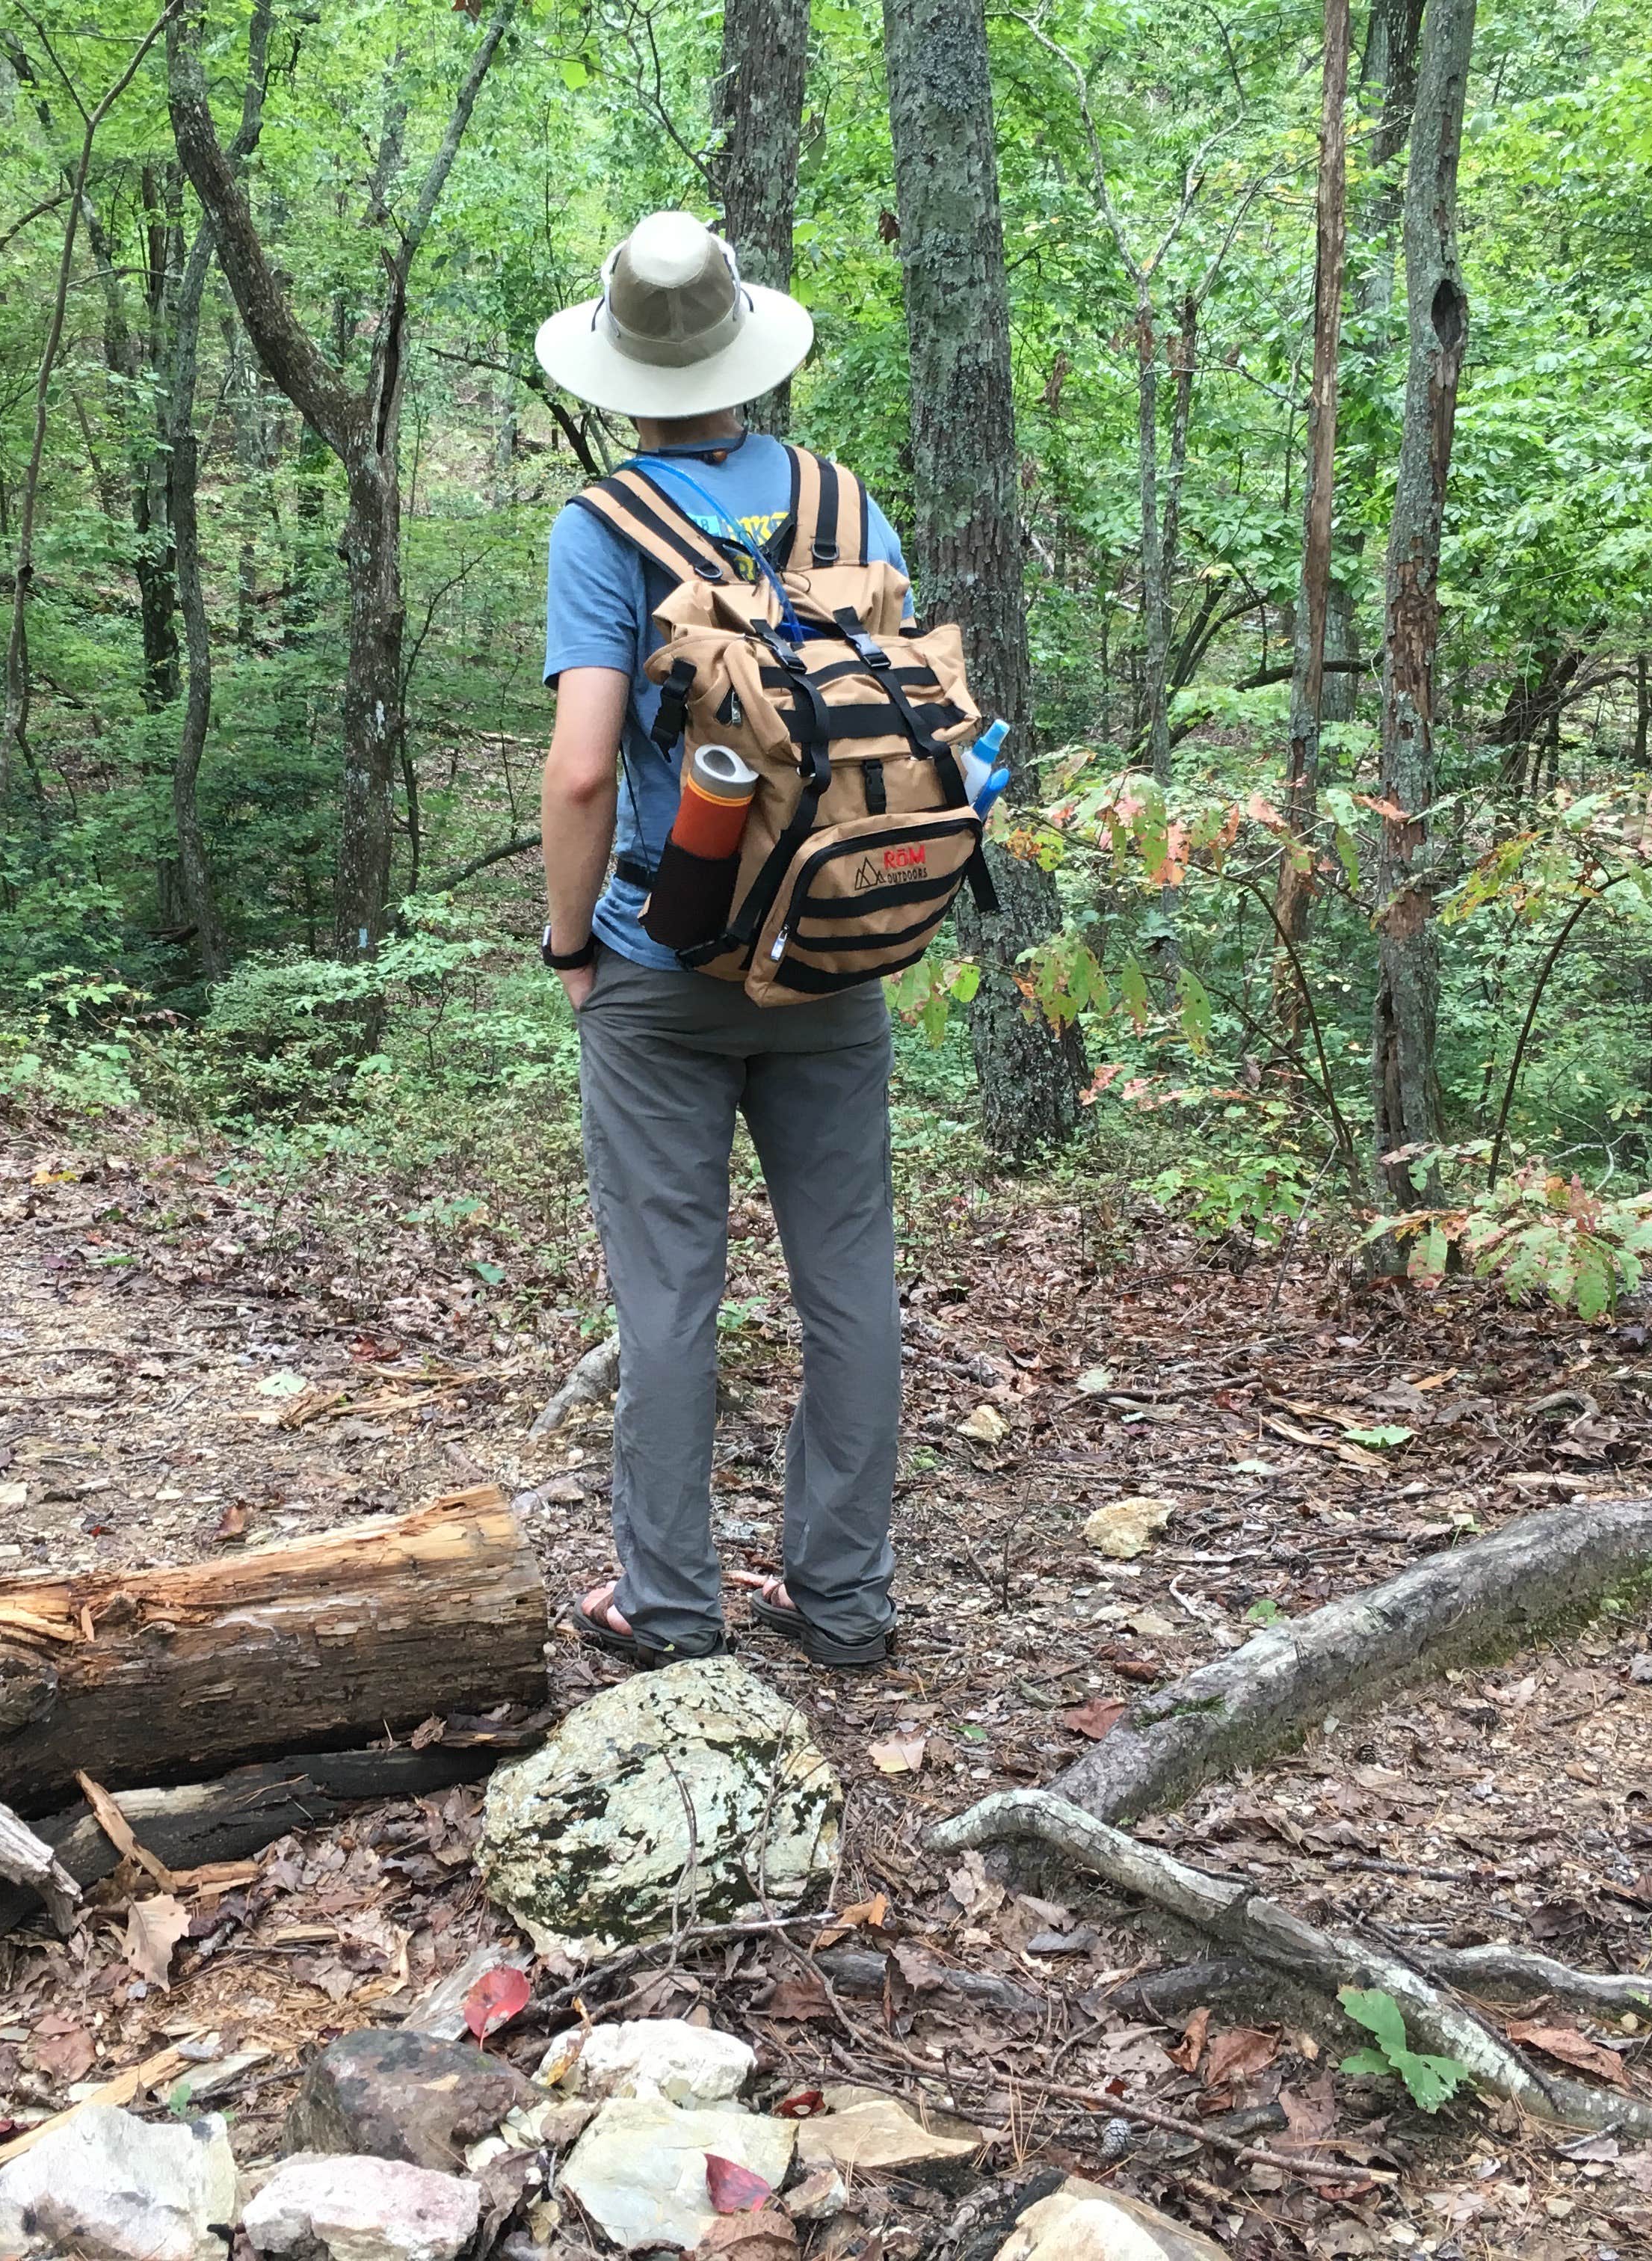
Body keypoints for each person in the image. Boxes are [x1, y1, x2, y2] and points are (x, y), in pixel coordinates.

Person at [532, 211, 910, 1671]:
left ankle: (671, 1608)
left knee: (672, 1291)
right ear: (745, 347)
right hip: (832, 951)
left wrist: (575, 946)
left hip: (663, 963)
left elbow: (579, 771)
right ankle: (847, 1599)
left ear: (623, 370)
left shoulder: (601, 526)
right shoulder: (843, 505)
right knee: (851, 1279)